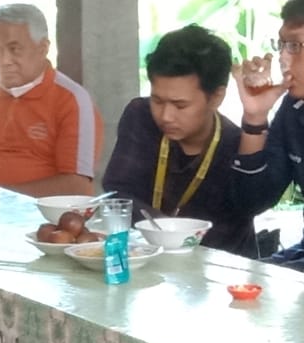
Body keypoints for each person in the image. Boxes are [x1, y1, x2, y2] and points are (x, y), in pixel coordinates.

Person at [103, 24, 264, 258]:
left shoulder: (236, 146)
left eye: (180, 105)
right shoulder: (140, 116)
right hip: (151, 258)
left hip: (221, 267)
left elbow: (232, 226)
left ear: (216, 97)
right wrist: (163, 232)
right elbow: (119, 192)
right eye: (157, 101)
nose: (166, 116)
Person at [0, 3, 103, 197]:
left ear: (43, 48)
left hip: (40, 213)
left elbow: (76, 187)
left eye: (14, 49)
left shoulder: (72, 101)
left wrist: (2, 200)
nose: (4, 60)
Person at [231, 0, 304, 268]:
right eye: (282, 44)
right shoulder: (294, 110)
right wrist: (255, 117)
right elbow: (251, 203)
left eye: (295, 46)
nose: (283, 58)